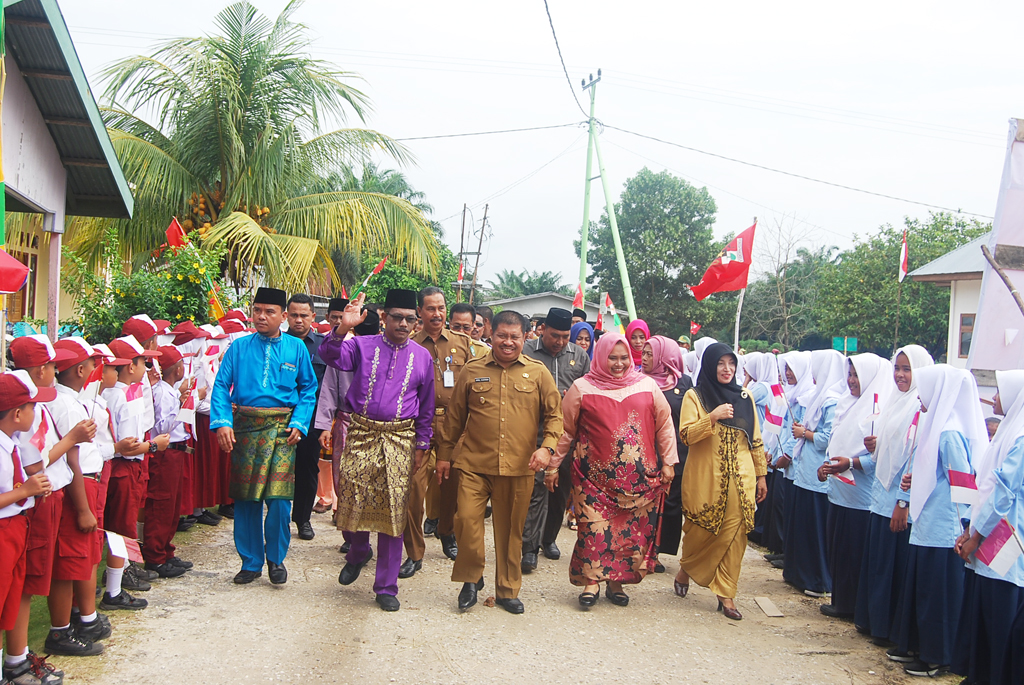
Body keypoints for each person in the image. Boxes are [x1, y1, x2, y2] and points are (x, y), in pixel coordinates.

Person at [436, 310, 562, 614]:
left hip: (519, 468)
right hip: (473, 465)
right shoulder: (471, 370)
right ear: (491, 335)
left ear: (525, 337)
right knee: (465, 521)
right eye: (502, 336)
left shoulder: (538, 372)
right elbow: (454, 419)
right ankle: (470, 579)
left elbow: (555, 416)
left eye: (514, 337)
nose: (507, 342)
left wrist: (547, 448)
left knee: (510, 532)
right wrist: (443, 456)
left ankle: (507, 591)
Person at [321, 290, 435, 612]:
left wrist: (422, 444)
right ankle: (357, 553)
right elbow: (331, 356)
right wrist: (343, 327)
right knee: (353, 499)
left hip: (400, 438)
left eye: (409, 319)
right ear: (383, 316)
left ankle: (386, 585)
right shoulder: (361, 345)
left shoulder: (423, 357)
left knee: (393, 511)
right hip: (361, 432)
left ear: (416, 321)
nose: (403, 323)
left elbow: (426, 408)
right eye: (396, 317)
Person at [553, 333, 676, 608]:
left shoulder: (647, 385)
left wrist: (669, 462)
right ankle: (591, 583)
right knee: (594, 530)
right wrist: (552, 466)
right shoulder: (581, 388)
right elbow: (565, 431)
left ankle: (617, 583)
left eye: (623, 358)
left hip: (639, 481)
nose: (618, 364)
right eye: (612, 358)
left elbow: (664, 425)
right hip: (592, 480)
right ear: (601, 357)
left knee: (628, 533)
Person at [212, 287, 319, 587]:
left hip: (283, 430)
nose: (261, 316)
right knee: (246, 498)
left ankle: (276, 558)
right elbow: (221, 386)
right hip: (245, 426)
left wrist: (299, 422)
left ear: (282, 316)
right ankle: (250, 561)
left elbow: (308, 389)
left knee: (280, 498)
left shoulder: (296, 349)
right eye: (257, 310)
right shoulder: (239, 347)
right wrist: (221, 422)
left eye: (269, 311)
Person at [892, 365, 986, 678]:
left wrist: (964, 527)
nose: (919, 395)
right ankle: (925, 649)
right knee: (928, 592)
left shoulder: (948, 433)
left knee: (939, 596)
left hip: (943, 528)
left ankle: (938, 656)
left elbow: (962, 485)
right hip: (929, 525)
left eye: (925, 388)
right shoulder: (939, 427)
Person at [675, 342, 767, 620]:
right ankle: (686, 568)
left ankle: (726, 593)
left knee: (736, 532)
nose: (727, 369)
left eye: (732, 364)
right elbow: (686, 435)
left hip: (742, 477)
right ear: (710, 366)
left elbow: (756, 440)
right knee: (700, 529)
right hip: (706, 477)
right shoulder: (695, 396)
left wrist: (761, 475)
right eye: (720, 364)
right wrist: (712, 417)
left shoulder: (745, 397)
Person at [854, 345, 933, 644]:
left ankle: (887, 628)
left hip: (898, 503)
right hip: (879, 497)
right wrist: (874, 446)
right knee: (878, 563)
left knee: (892, 567)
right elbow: (888, 451)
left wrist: (903, 501)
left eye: (907, 369)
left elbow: (915, 458)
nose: (900, 375)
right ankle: (872, 621)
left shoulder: (920, 406)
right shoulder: (894, 401)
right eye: (897, 368)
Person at [399, 287, 476, 577]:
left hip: (454, 427)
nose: (437, 313)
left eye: (441, 308)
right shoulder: (409, 344)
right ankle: (414, 552)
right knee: (413, 491)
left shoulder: (463, 344)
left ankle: (446, 532)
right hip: (418, 426)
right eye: (430, 308)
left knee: (452, 488)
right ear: (420, 312)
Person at [953, 370, 1024, 685]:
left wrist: (976, 536)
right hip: (987, 540)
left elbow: (1004, 492)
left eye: (998, 392)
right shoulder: (1008, 432)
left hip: (1007, 543)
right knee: (982, 618)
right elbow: (985, 485)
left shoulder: (1020, 437)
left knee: (999, 622)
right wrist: (969, 530)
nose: (994, 398)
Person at [816, 353, 894, 619]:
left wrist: (851, 462)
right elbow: (834, 442)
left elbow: (880, 458)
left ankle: (852, 605)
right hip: (838, 490)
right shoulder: (845, 404)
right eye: (849, 374)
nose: (851, 381)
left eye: (857, 375)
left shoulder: (880, 411)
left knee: (854, 552)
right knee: (837, 548)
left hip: (861, 495)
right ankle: (840, 599)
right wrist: (827, 465)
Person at [521, 307, 590, 572]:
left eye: (564, 336)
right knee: (536, 490)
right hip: (534, 433)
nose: (560, 341)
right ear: (543, 331)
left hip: (567, 437)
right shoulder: (527, 351)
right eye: (554, 336)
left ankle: (549, 539)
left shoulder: (579, 355)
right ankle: (529, 547)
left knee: (560, 492)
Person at [101, 336, 167, 612]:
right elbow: (128, 446)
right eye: (143, 362)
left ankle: (121, 572)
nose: (147, 367)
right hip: (124, 467)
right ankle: (114, 590)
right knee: (120, 527)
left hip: (120, 466)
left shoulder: (113, 392)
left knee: (119, 524)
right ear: (130, 366)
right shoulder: (123, 397)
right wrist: (154, 445)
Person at [0, 373, 54, 684]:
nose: (36, 414)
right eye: (32, 407)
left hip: (16, 526)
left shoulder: (13, 443)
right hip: (4, 530)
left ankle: (13, 666)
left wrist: (30, 489)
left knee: (12, 597)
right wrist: (24, 491)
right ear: (17, 414)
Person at [784, 349, 846, 597]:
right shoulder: (820, 396)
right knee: (804, 528)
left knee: (816, 531)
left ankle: (817, 579)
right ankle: (800, 574)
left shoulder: (831, 399)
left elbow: (828, 438)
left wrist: (804, 434)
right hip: (806, 471)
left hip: (818, 473)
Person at [641, 335, 692, 568]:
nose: (645, 357)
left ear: (665, 356)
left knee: (671, 505)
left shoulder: (684, 383)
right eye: (644, 352)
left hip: (677, 453)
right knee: (646, 503)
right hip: (646, 452)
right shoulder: (638, 380)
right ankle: (642, 549)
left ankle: (660, 551)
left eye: (650, 354)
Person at [143, 346, 193, 579]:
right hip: (165, 452)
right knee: (162, 504)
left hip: (175, 452)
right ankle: (155, 556)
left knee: (172, 504)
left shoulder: (169, 391)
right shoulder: (163, 393)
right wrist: (184, 406)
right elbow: (162, 426)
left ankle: (165, 549)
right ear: (178, 368)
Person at [284, 293, 327, 542]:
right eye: (294, 315)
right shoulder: (277, 343)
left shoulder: (322, 345)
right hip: (280, 417)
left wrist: (324, 423)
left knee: (307, 469)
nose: (298, 320)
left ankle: (302, 519)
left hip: (311, 419)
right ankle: (277, 519)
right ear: (286, 316)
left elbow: (329, 386)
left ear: (313, 316)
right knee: (276, 470)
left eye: (304, 315)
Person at [744, 351, 786, 556]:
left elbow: (740, 399)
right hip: (768, 439)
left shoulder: (760, 387)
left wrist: (746, 381)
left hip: (758, 437)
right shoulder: (774, 387)